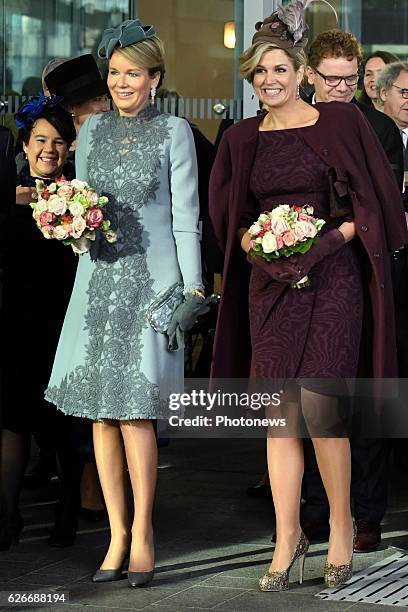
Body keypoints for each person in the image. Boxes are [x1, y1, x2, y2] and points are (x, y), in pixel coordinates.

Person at [209, 1, 407, 592]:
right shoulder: (241, 138)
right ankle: (286, 536)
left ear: (301, 72)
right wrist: (260, 246)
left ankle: (342, 528)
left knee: (322, 411)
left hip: (334, 280)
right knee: (279, 419)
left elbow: (370, 205)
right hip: (270, 286)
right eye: (259, 72)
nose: (270, 80)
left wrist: (320, 246)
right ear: (251, 78)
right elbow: (231, 218)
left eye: (279, 69)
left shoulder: (340, 123)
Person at [45, 19, 205, 587]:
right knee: (102, 415)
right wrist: (68, 225)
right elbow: (81, 207)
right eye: (114, 73)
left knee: (136, 413)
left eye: (132, 73)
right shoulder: (89, 134)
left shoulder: (175, 132)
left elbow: (187, 220)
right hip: (97, 285)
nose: (121, 82)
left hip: (152, 287)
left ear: (155, 78)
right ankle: (113, 533)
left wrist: (190, 292)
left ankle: (143, 532)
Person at [304, 30, 406, 552]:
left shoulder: (380, 127)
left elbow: (380, 205)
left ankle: (366, 515)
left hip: (363, 273)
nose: (342, 88)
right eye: (332, 79)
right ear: (310, 75)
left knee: (363, 394)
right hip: (303, 277)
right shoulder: (294, 121)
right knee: (312, 401)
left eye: (350, 78)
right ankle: (315, 512)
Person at [0, 97, 81, 550]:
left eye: (58, 143)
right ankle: (7, 516)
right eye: (41, 141)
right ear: (27, 145)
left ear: (68, 149)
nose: (49, 150)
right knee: (12, 422)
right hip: (15, 321)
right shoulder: (7, 194)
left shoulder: (80, 198)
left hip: (63, 321)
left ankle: (66, 514)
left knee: (61, 424)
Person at [45, 54, 109, 134]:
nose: (106, 108)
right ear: (70, 108)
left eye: (105, 99)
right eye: (98, 99)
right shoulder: (57, 144)